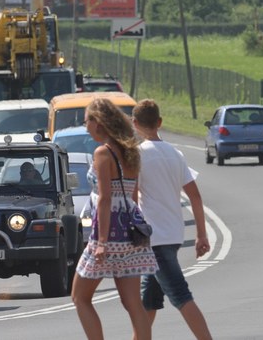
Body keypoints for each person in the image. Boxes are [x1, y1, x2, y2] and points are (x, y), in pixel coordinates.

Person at [71, 98, 158, 340]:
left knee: (80, 297)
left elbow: (105, 199)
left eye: (87, 120)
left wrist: (100, 241)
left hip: (108, 234)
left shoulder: (103, 153)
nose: (86, 126)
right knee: (133, 304)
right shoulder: (131, 151)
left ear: (98, 122)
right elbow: (133, 195)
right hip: (131, 234)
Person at [132, 99, 212, 340]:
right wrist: (201, 234)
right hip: (173, 236)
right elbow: (195, 197)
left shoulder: (137, 155)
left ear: (134, 124)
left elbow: (133, 198)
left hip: (154, 238)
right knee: (150, 299)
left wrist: (130, 235)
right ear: (160, 123)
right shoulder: (175, 154)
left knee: (180, 295)